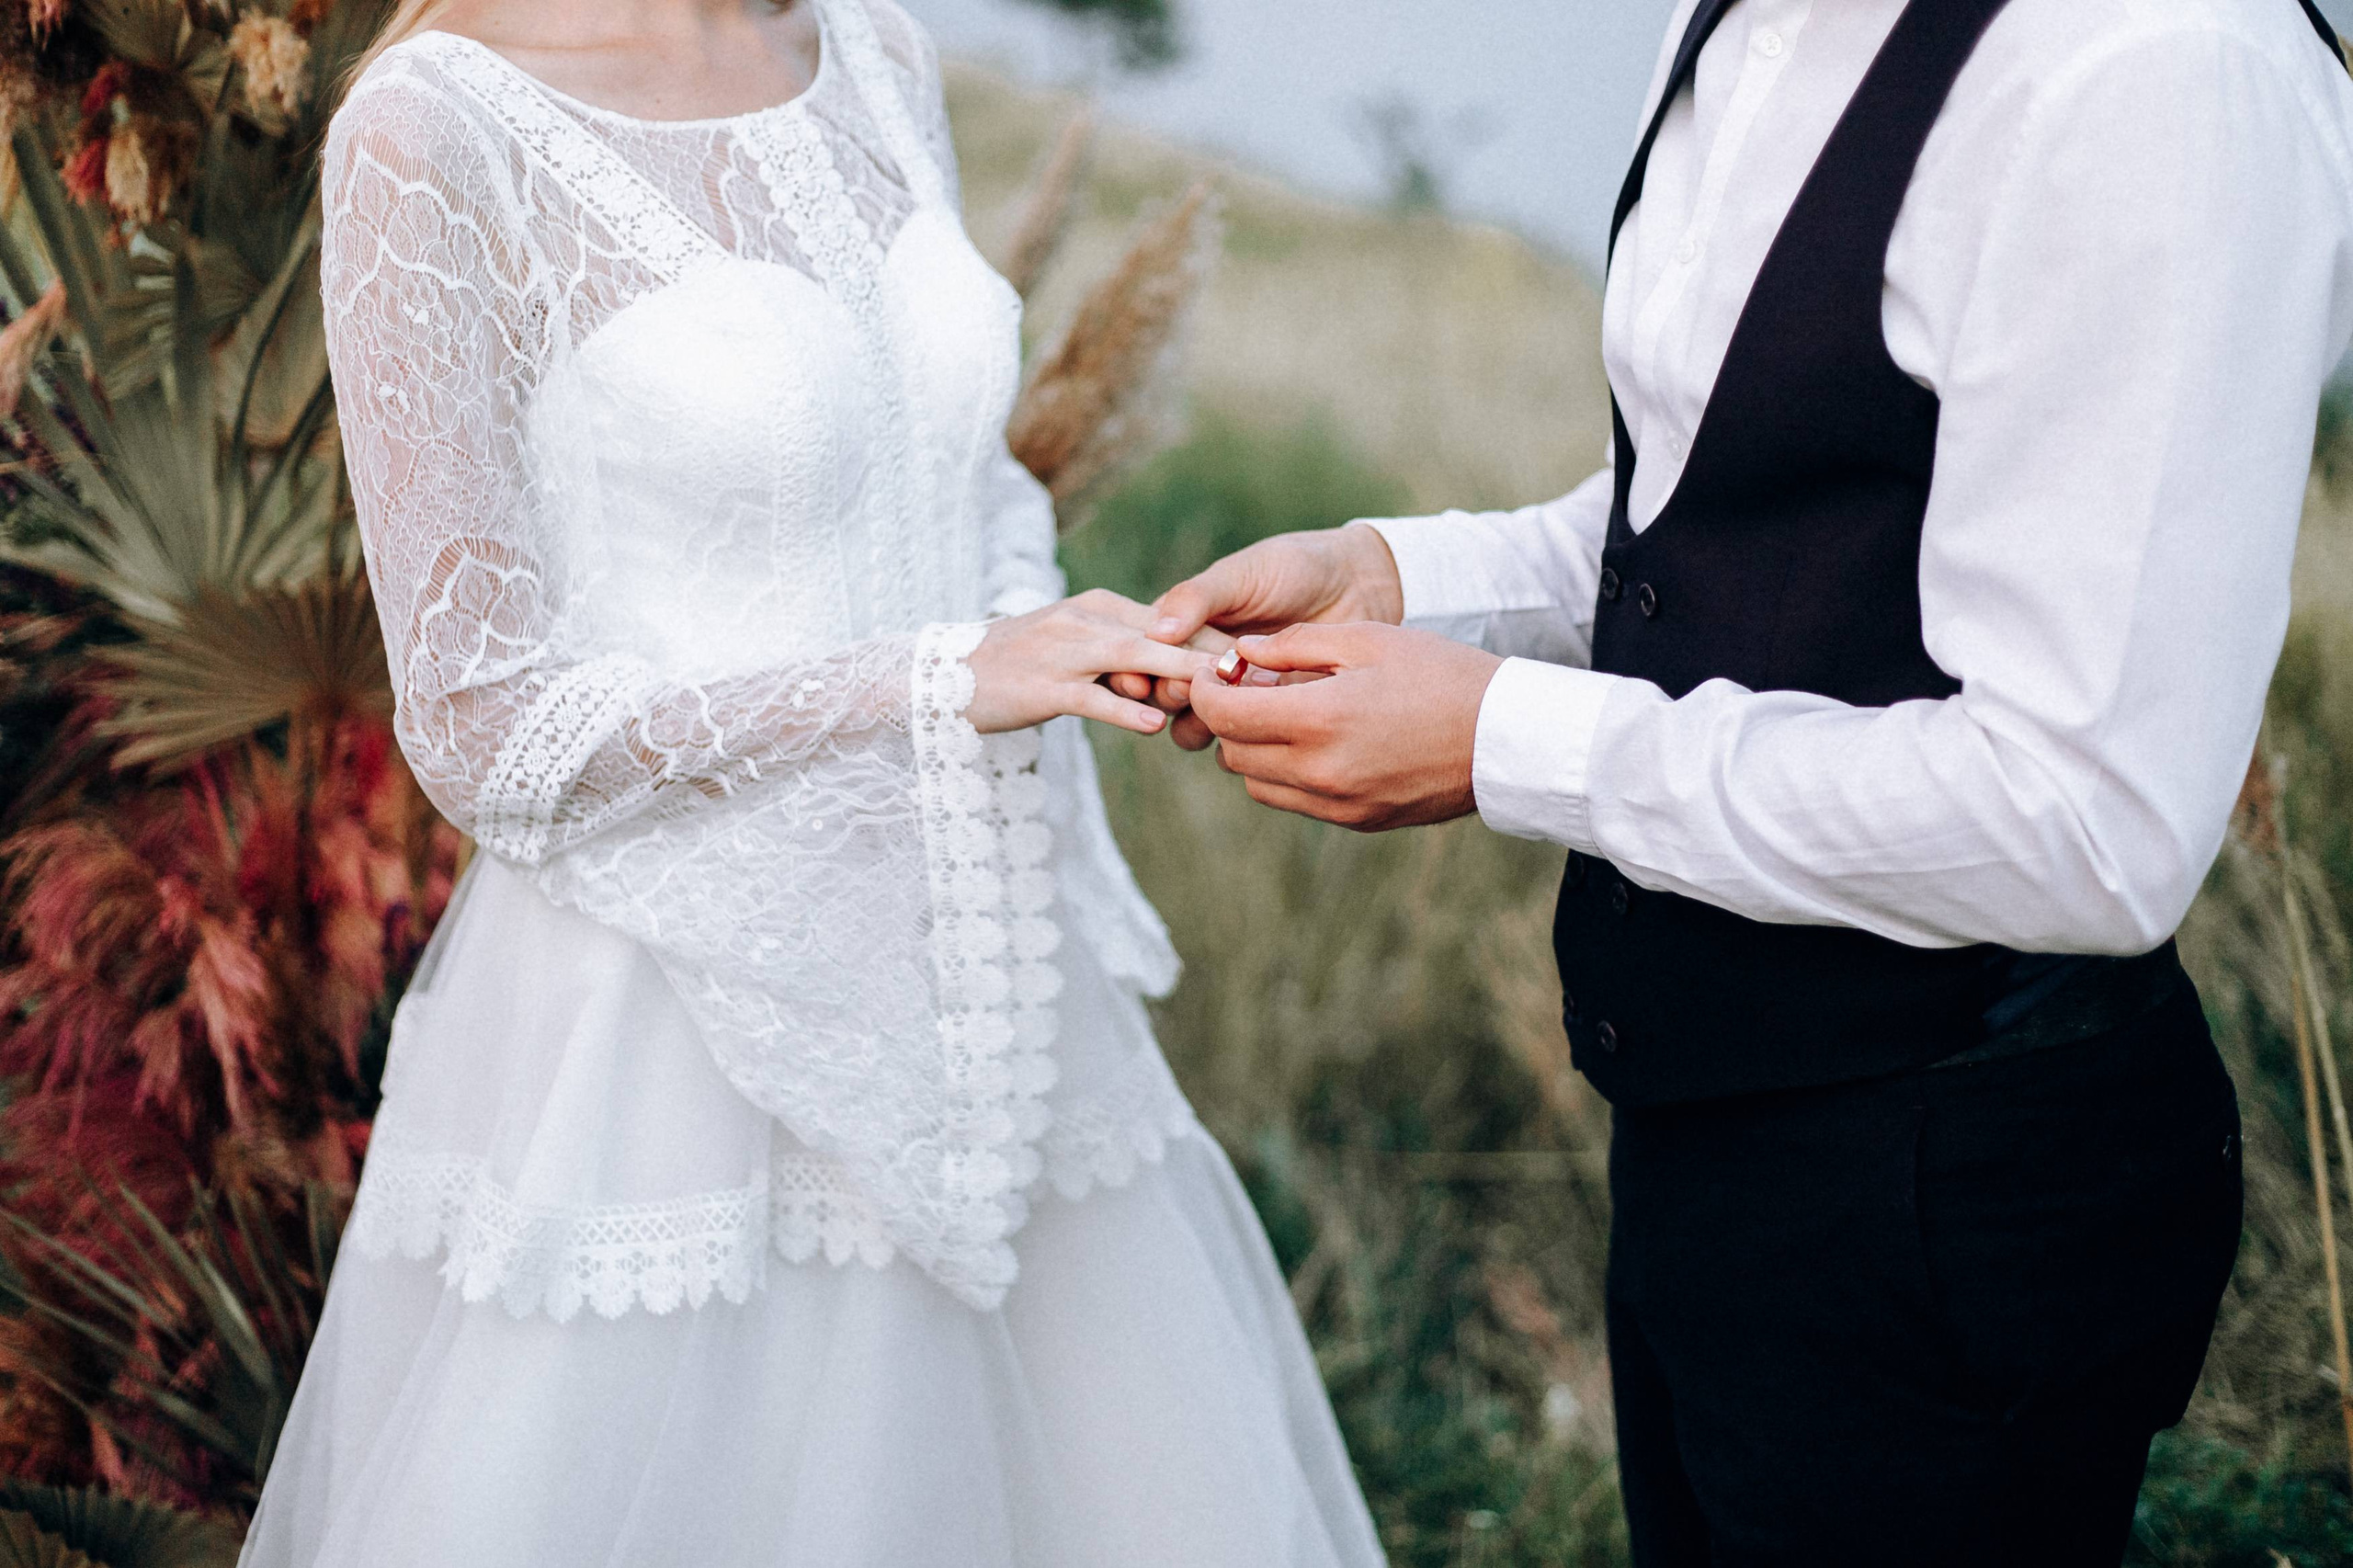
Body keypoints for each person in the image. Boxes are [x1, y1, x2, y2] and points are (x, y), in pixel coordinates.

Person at [1147, 0, 2353, 1562]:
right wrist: (1394, 576)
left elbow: (2087, 823)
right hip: (1703, 1146)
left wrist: (1506, 738)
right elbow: (1728, 517)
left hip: (1956, 1211)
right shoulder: (1739, 19)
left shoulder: (2155, 66)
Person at [241, 2, 1385, 1563]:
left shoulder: (874, 51)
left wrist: (1088, 640)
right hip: (666, 1034)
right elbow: (482, 724)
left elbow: (970, 472)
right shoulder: (436, 127)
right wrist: (941, 682)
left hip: (998, 990)